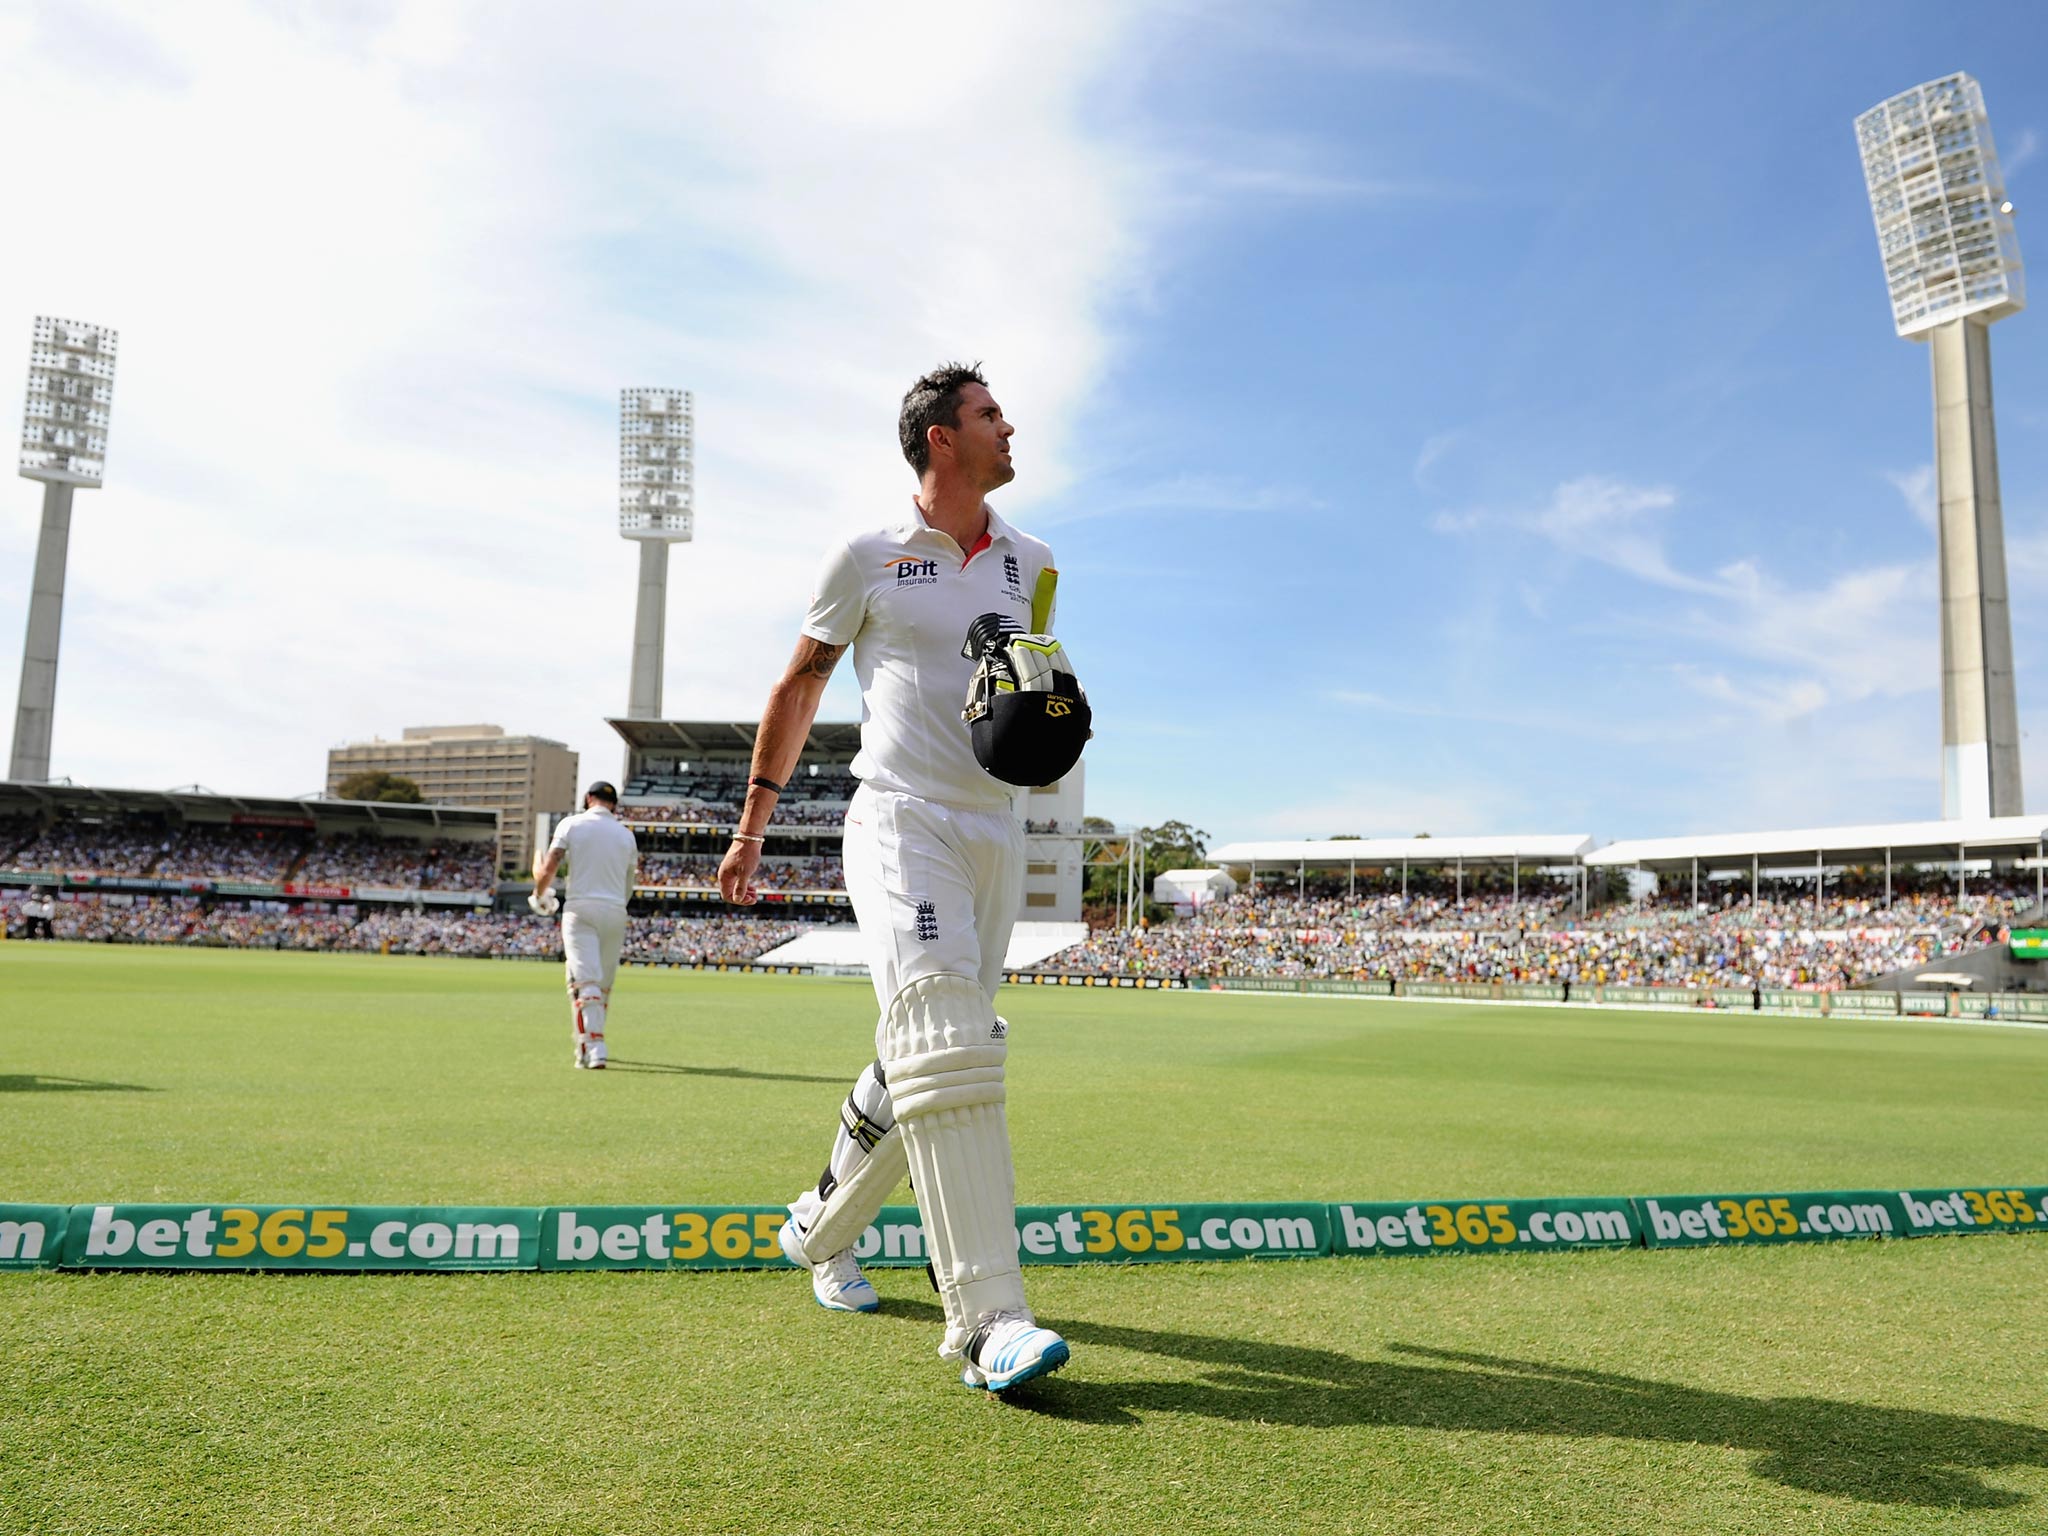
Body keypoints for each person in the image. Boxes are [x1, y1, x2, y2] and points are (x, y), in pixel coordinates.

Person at [719, 362, 1072, 1392]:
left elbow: (1031, 683)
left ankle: (820, 1228)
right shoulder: (866, 555)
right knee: (944, 1036)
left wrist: (1044, 712)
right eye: (990, 415)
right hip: (899, 818)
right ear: (940, 441)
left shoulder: (1033, 559)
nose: (1010, 428)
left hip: (990, 829)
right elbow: (799, 683)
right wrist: (752, 828)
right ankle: (985, 1321)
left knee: (927, 1055)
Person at [531, 782, 639, 1069]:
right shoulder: (626, 836)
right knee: (601, 985)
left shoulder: (571, 824)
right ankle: (585, 1044)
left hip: (580, 908)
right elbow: (629, 884)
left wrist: (538, 894)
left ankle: (595, 1046)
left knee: (585, 982)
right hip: (616, 910)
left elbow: (550, 863)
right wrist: (618, 905)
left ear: (589, 798)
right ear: (613, 804)